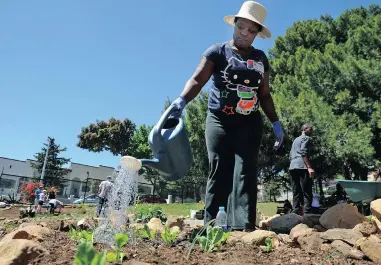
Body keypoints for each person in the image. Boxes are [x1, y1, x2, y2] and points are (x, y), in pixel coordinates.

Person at [166, 1, 284, 231]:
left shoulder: (261, 59)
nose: (245, 33)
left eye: (252, 31)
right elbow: (197, 80)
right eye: (242, 27)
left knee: (246, 171)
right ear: (235, 24)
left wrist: (275, 122)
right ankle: (213, 226)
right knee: (219, 168)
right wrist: (181, 101)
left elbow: (265, 95)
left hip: (249, 123)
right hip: (219, 120)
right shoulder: (217, 51)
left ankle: (243, 226)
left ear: (257, 34)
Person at [289, 124, 314, 215]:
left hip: (292, 166)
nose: (311, 131)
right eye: (310, 129)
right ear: (304, 129)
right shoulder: (306, 138)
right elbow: (303, 152)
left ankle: (295, 212)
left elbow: (291, 154)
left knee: (296, 191)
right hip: (302, 166)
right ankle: (307, 214)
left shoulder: (295, 140)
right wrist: (309, 167)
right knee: (307, 191)